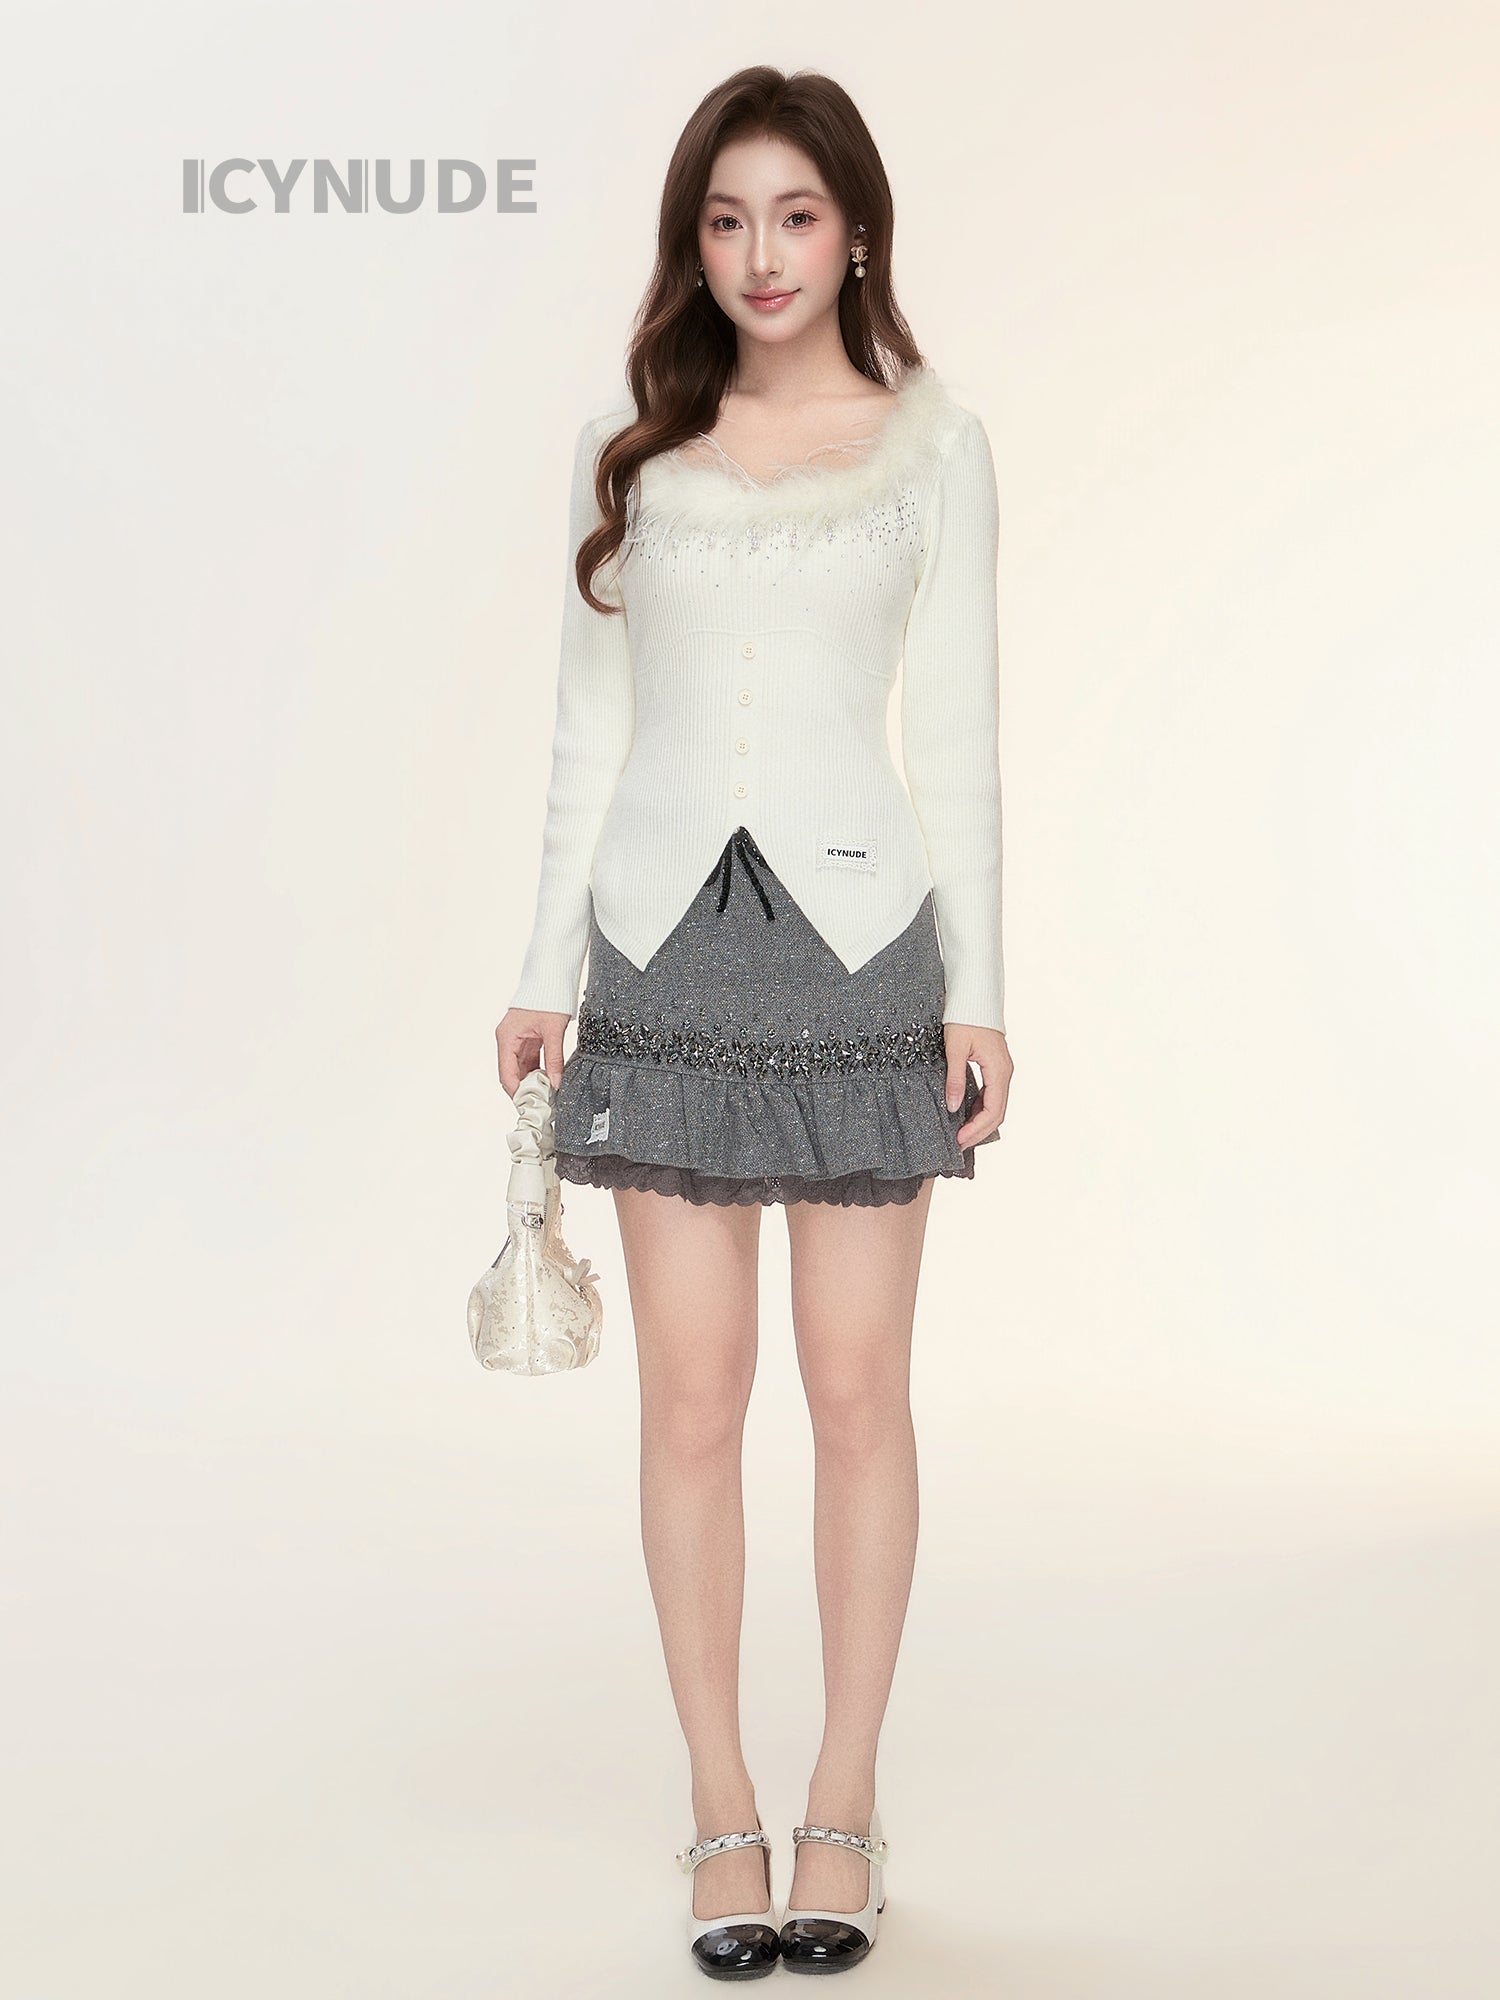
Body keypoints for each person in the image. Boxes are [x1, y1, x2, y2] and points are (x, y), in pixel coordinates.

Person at [494, 64, 1013, 1980]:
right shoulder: (632, 445)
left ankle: (843, 1794)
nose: (761, 253)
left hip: (868, 955)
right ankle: (723, 1799)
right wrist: (543, 968)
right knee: (692, 1403)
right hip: (656, 954)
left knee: (859, 1395)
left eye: (795, 214)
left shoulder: (934, 443)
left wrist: (987, 995)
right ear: (690, 243)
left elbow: (958, 730)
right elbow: (588, 729)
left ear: (854, 230)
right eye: (725, 219)